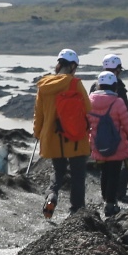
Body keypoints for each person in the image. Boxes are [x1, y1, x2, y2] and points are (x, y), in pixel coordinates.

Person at [33, 49, 91, 219]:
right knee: (78, 175)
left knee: (58, 171)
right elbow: (88, 108)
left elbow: (39, 114)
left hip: (52, 138)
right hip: (75, 138)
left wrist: (38, 134)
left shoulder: (44, 86)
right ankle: (76, 211)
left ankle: (52, 195)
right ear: (73, 66)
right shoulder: (75, 84)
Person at [87, 70, 128, 218]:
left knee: (104, 172)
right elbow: (127, 124)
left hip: (98, 145)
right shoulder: (117, 102)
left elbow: (86, 123)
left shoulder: (89, 101)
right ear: (114, 86)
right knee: (114, 173)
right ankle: (110, 204)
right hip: (116, 146)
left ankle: (106, 199)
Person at [99, 53, 128, 201]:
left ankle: (106, 195)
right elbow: (124, 113)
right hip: (117, 135)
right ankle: (117, 194)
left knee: (106, 168)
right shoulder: (118, 87)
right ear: (117, 69)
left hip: (99, 136)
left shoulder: (95, 86)